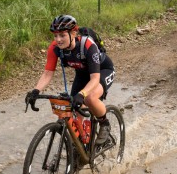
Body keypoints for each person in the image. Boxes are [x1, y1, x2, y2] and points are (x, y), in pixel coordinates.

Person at [26, 15, 116, 145]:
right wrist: (35, 91)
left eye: (62, 35)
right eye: (55, 36)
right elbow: (47, 73)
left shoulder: (88, 45)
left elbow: (95, 79)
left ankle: (104, 124)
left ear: (73, 33)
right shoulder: (54, 48)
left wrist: (82, 94)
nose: (58, 40)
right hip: (82, 74)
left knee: (89, 98)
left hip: (102, 71)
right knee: (72, 108)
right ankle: (81, 146)